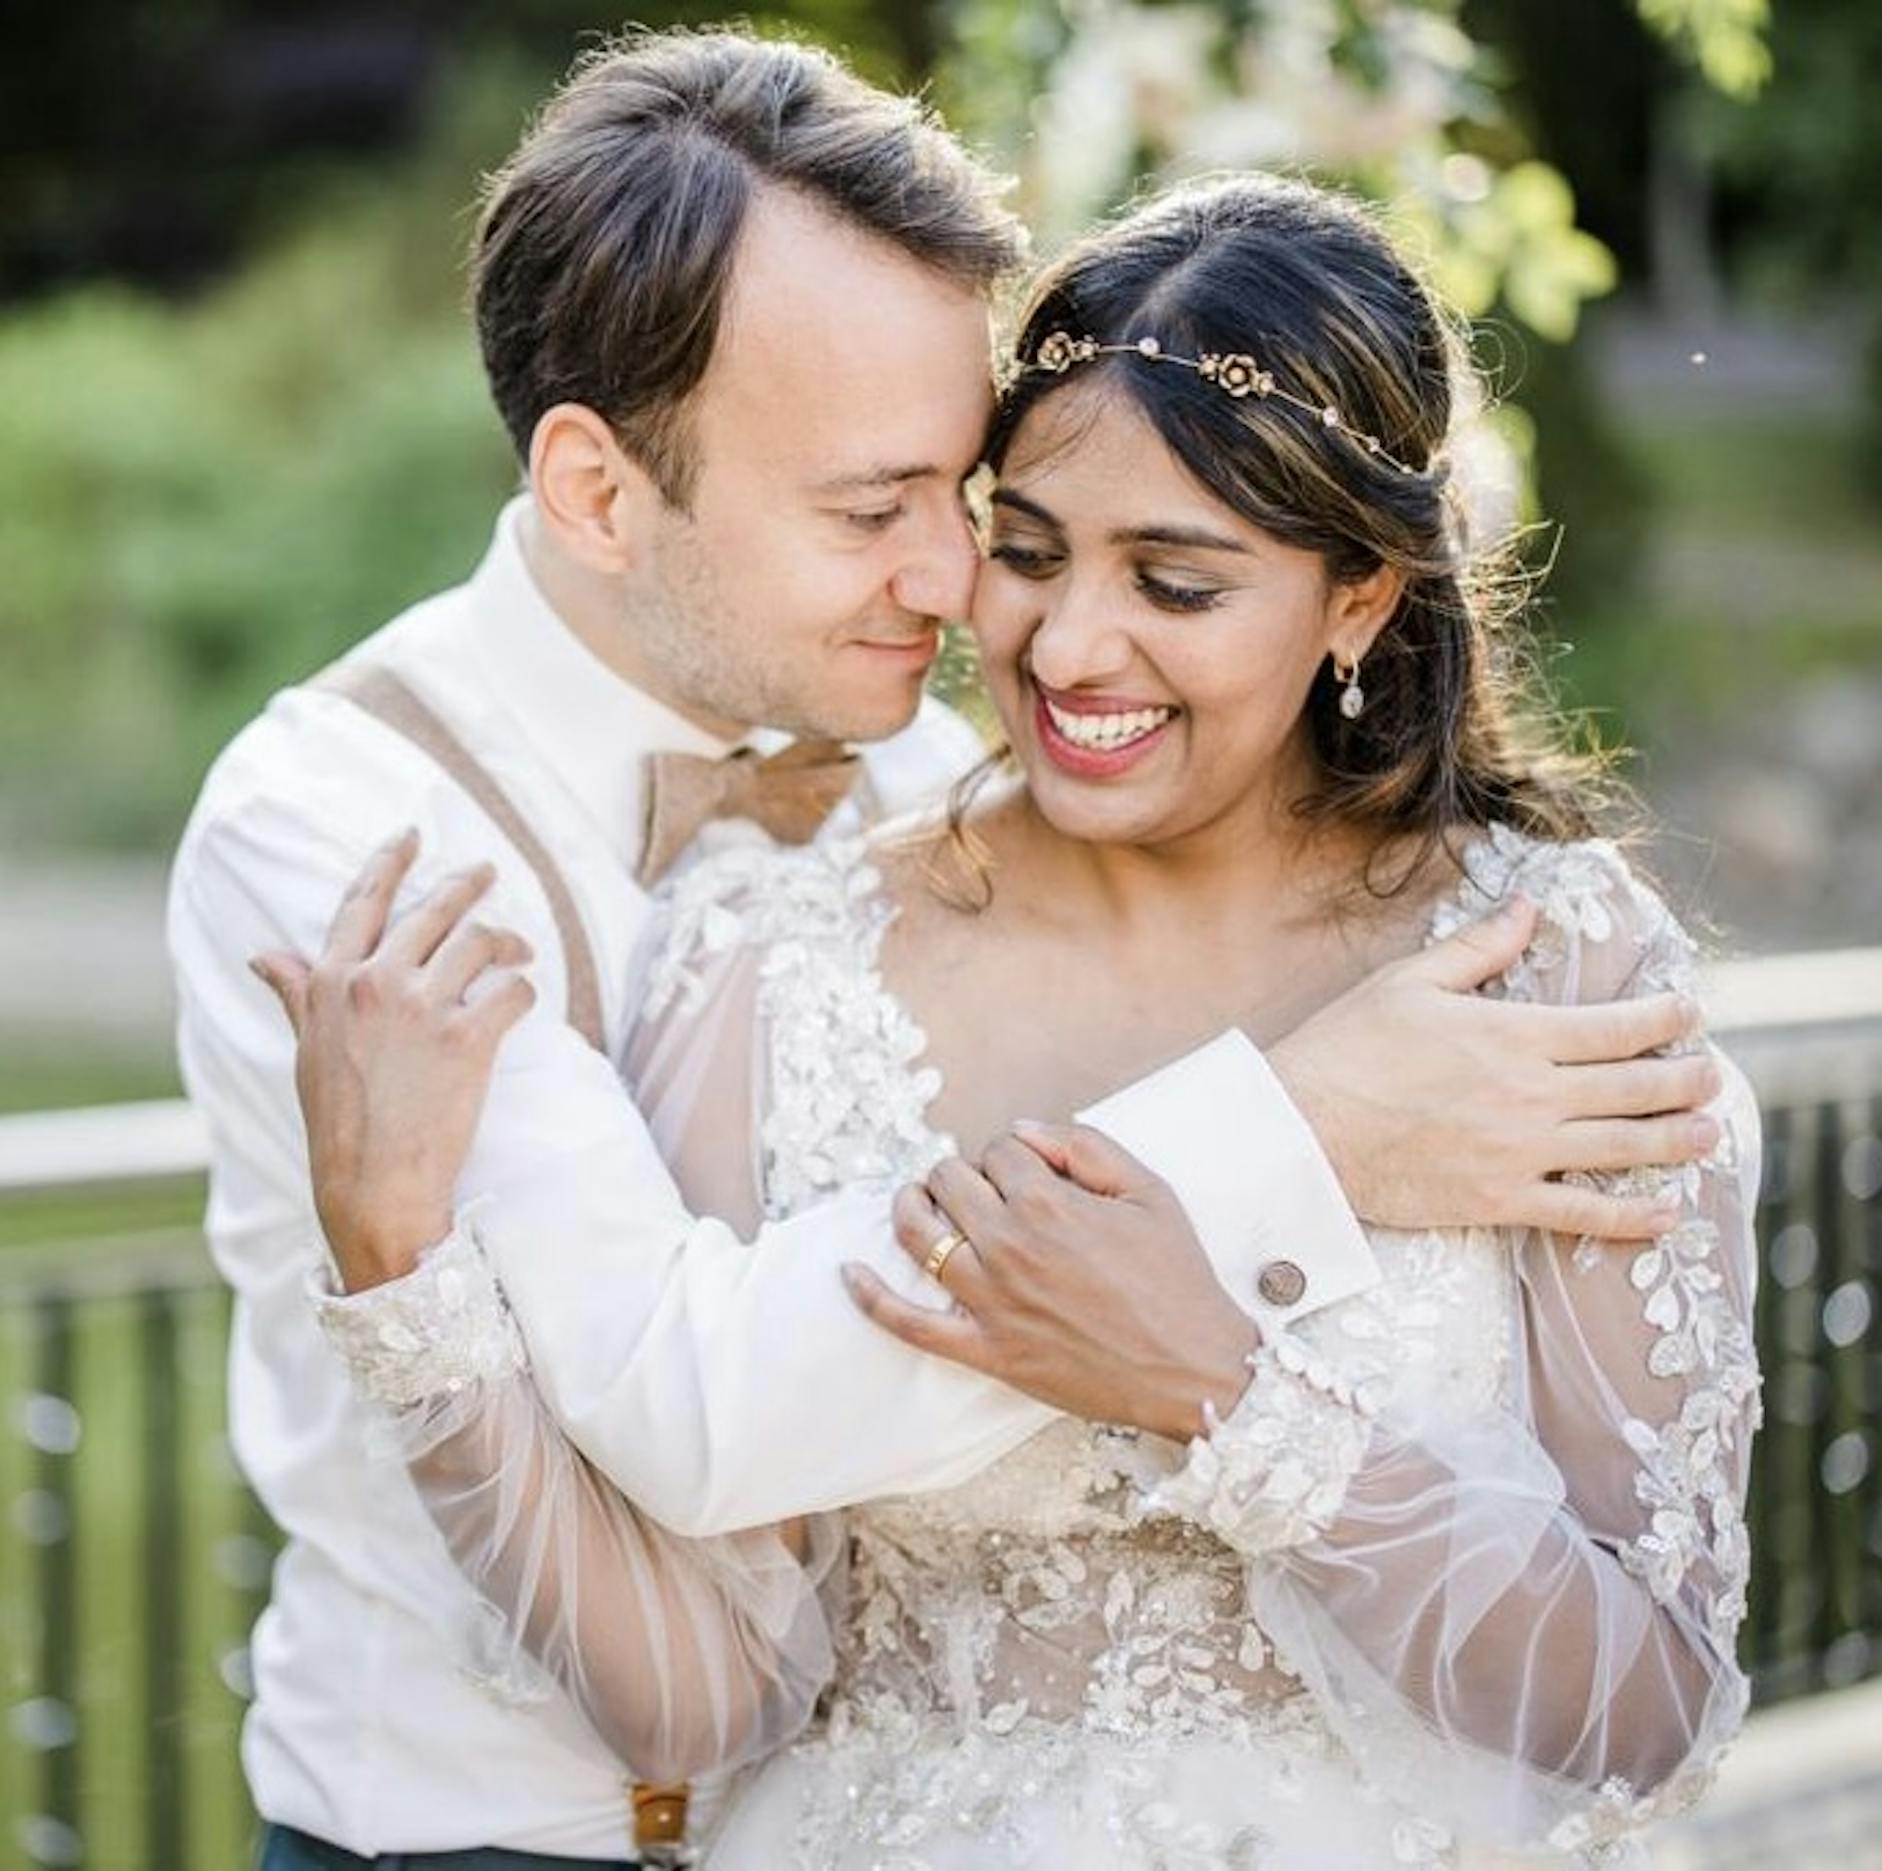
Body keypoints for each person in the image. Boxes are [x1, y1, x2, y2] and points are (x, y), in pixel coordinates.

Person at [170, 27, 1721, 1869]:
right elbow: (695, 1403)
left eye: (955, 497)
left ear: (1362, 594)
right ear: (599, 491)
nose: (981, 610)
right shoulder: (348, 830)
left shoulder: (932, 757)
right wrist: (1296, 1130)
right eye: (875, 510)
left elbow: (1655, 1673)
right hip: (473, 1837)